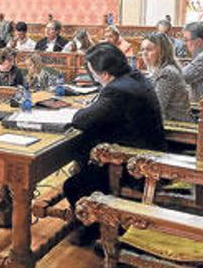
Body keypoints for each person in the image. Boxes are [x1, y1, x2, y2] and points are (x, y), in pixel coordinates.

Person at [62, 44, 166, 244]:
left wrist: (91, 107)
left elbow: (81, 120)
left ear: (106, 75)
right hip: (148, 152)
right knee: (85, 153)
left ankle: (97, 229)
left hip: (135, 166)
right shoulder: (135, 77)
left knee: (73, 185)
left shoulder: (117, 90)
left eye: (94, 74)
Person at [140, 33, 192, 122]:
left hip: (174, 126)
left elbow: (156, 108)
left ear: (162, 51)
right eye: (142, 49)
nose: (144, 53)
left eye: (149, 49)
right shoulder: (161, 68)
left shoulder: (167, 73)